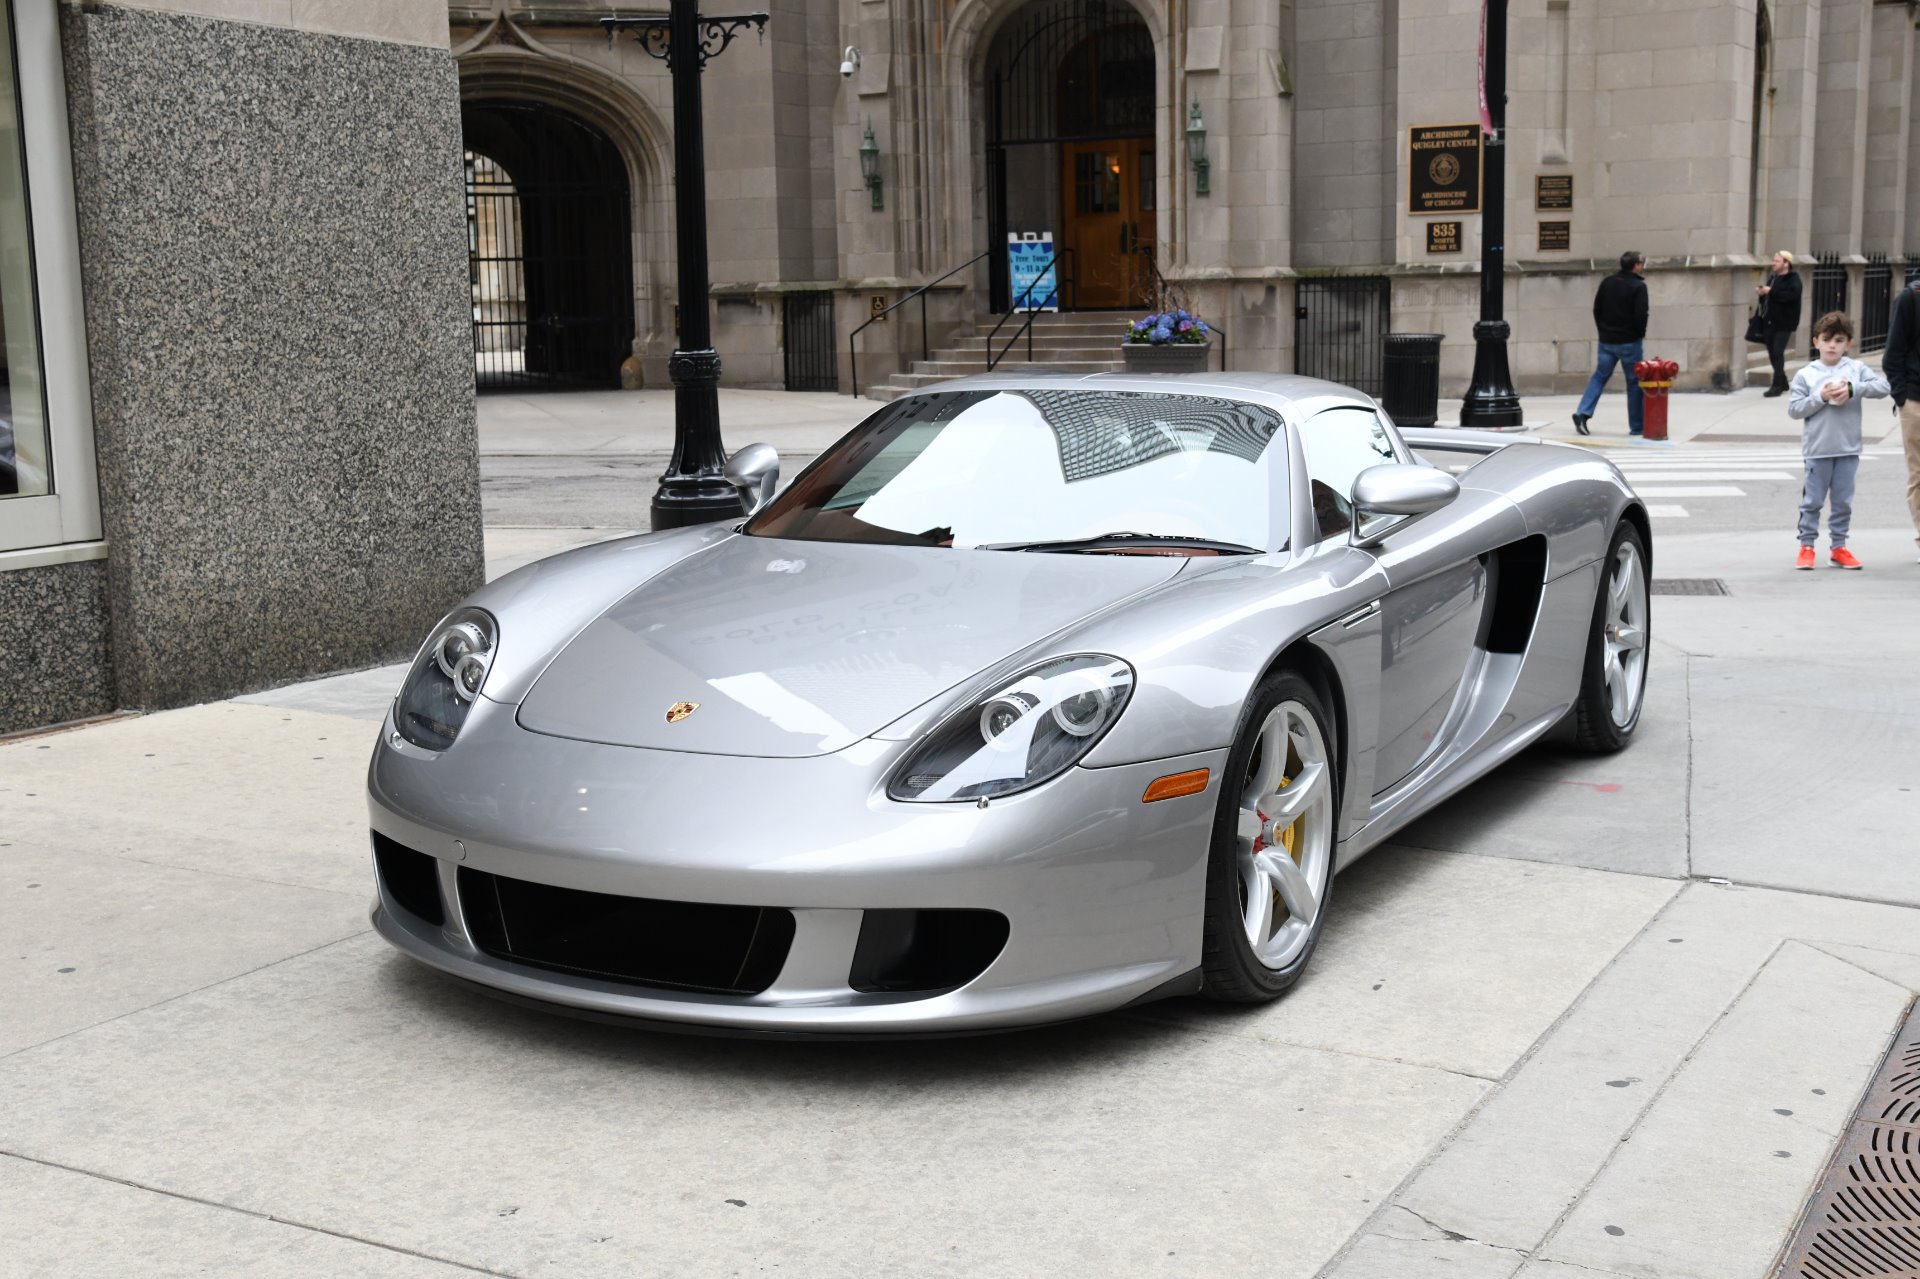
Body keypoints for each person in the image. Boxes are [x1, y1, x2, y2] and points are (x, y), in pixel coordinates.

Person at [1788, 311, 1889, 570]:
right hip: (1818, 449)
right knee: (1812, 501)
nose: (1832, 345)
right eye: (1827, 339)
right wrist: (1820, 397)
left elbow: (1883, 387)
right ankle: (1807, 546)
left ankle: (1839, 546)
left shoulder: (1855, 369)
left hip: (1848, 447)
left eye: (1839, 340)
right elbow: (1795, 409)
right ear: (1816, 342)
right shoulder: (1806, 374)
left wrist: (1854, 388)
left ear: (1848, 344)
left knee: (1843, 501)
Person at [1572, 250, 1648, 436]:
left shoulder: (1607, 283)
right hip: (1630, 342)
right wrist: (1639, 334)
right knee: (1634, 382)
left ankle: (1582, 412)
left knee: (1599, 377)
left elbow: (1597, 309)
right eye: (1640, 262)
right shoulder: (1638, 286)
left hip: (1607, 341)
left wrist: (1603, 330)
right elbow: (1640, 316)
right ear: (1636, 265)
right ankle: (1636, 426)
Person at [1883, 273, 1920, 562]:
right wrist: (1902, 397)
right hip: (1915, 398)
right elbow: (1892, 353)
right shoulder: (1910, 298)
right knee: (1919, 472)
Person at [1756, 250, 1803, 396]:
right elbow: (1770, 298)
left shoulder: (1793, 279)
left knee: (1778, 351)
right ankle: (1783, 382)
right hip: (1769, 321)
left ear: (1786, 263)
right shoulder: (1773, 278)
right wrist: (1762, 294)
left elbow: (1791, 297)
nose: (1773, 263)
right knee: (1772, 353)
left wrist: (1771, 291)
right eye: (1773, 260)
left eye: (1777, 261)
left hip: (1785, 322)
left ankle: (1776, 386)